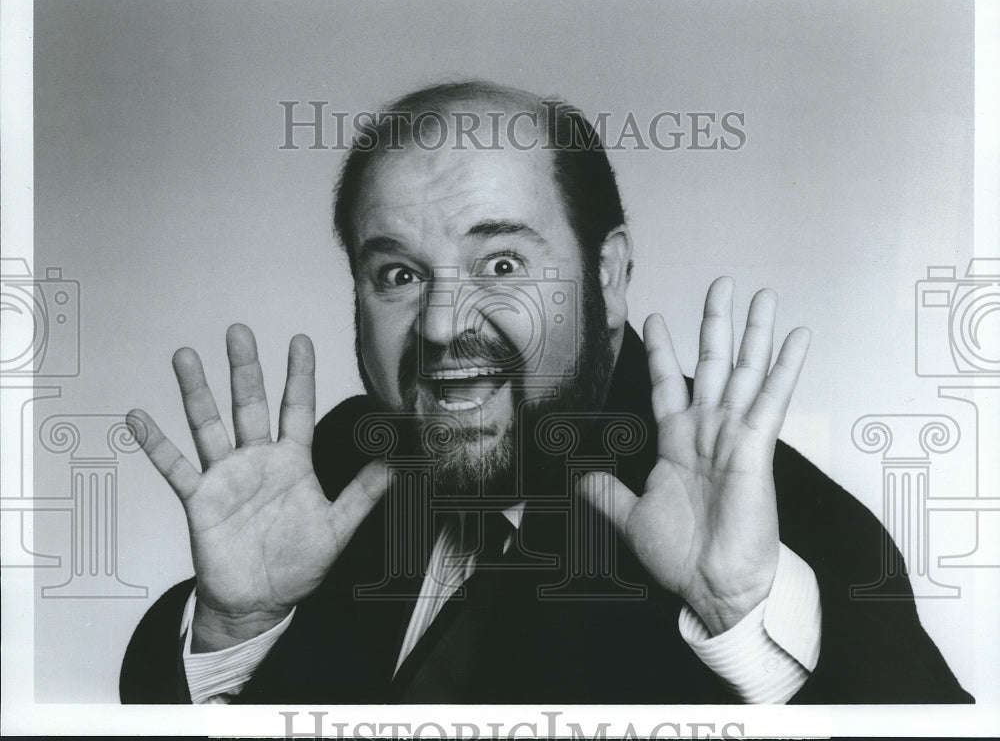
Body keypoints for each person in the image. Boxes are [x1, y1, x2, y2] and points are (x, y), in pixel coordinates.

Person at [120, 80, 972, 704]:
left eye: (501, 264)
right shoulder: (336, 464)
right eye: (399, 273)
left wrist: (740, 611)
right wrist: (236, 631)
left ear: (608, 275)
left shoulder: (774, 517)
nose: (444, 323)